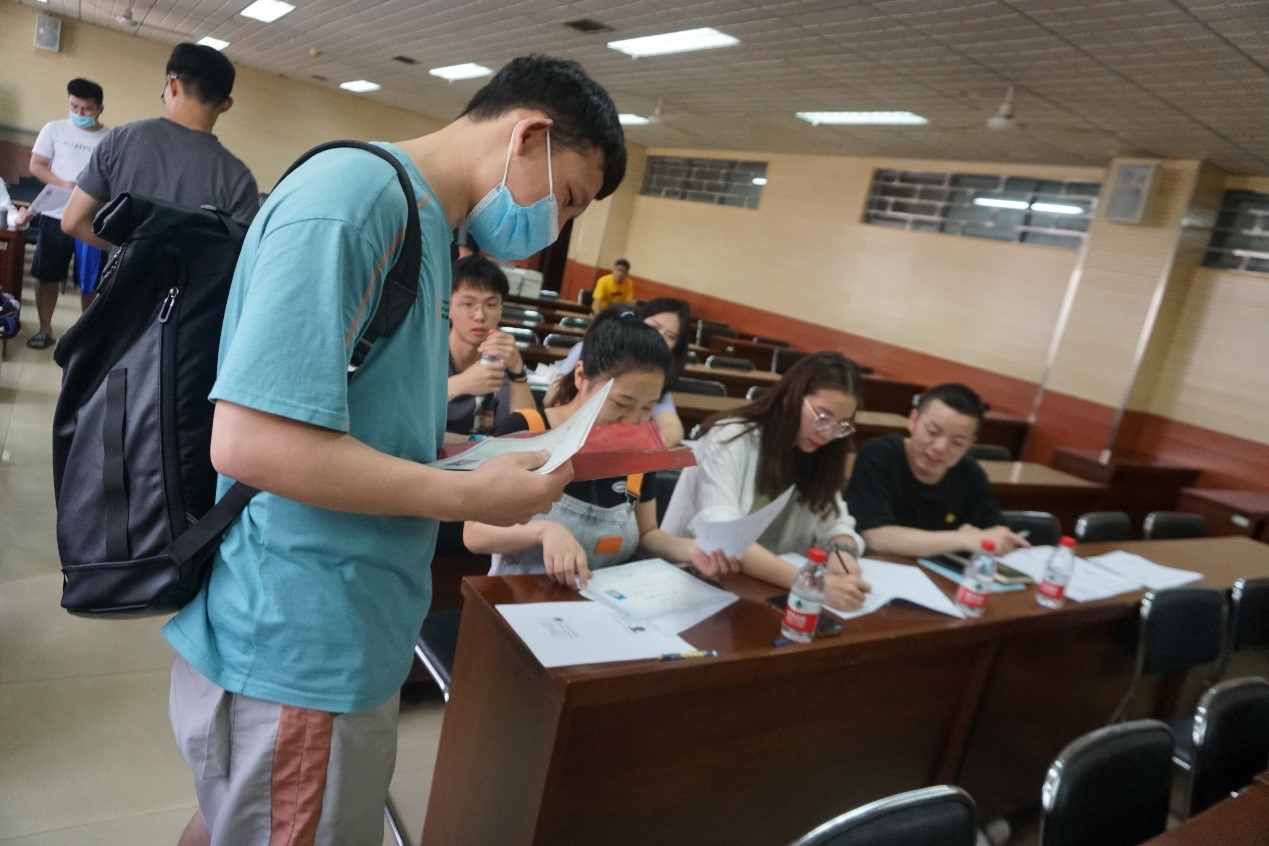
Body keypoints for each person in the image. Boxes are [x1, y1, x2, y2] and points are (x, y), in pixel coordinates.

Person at [161, 55, 626, 846]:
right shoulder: (358, 200)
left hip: (346, 622)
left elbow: (358, 419)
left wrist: (473, 456)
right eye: (569, 197)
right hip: (303, 635)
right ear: (529, 136)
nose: (556, 225)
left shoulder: (424, 223)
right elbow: (251, 443)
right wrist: (470, 496)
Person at [465, 306, 738, 587]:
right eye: (620, 403)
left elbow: (647, 534)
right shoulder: (528, 429)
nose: (632, 421)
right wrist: (542, 531)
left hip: (600, 600)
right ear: (581, 376)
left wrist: (693, 551)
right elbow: (473, 531)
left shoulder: (640, 450)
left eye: (647, 408)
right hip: (512, 598)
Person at [661, 352, 872, 612]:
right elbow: (725, 537)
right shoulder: (731, 437)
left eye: (841, 425)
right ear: (791, 396)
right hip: (693, 584)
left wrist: (843, 553)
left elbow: (836, 524)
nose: (828, 433)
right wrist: (813, 585)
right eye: (822, 417)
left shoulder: (821, 456)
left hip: (761, 590)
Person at [60, 43, 259, 256]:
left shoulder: (121, 140)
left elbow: (73, 221)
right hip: (193, 279)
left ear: (172, 85)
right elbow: (241, 257)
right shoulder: (238, 178)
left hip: (123, 277)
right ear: (226, 104)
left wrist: (128, 251)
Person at [844, 382, 1029, 558]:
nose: (940, 447)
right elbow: (875, 536)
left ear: (970, 444)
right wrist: (963, 539)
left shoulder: (971, 475)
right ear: (913, 420)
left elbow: (994, 533)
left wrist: (994, 539)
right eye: (933, 432)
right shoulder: (880, 454)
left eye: (957, 442)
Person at [23, 78, 109, 348]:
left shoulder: (110, 138)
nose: (80, 113)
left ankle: (86, 335)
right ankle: (45, 330)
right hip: (55, 213)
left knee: (92, 281)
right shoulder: (54, 129)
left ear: (100, 109)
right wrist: (63, 184)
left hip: (92, 220)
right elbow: (37, 165)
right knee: (46, 274)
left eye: (87, 109)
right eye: (74, 107)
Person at [548, 296, 689, 445]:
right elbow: (553, 396)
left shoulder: (656, 378)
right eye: (620, 404)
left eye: (670, 336)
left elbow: (672, 427)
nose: (632, 423)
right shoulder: (599, 350)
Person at [446, 254, 534, 438]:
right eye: (468, 304)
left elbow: (526, 433)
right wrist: (462, 383)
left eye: (491, 305)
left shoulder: (499, 359)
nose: (480, 316)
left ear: (501, 310)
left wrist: (517, 371)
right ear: (448, 306)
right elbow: (402, 411)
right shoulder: (428, 352)